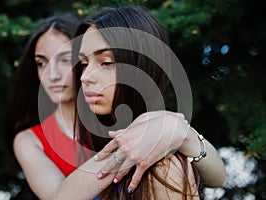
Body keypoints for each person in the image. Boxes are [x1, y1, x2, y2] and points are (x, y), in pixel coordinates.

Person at [6, 11, 225, 200]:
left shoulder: (113, 112)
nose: (52, 75)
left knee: (168, 169)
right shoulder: (31, 138)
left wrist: (182, 132)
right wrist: (132, 145)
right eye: (41, 63)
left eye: (65, 60)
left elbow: (219, 178)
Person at [73, 5, 200, 199]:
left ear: (141, 68)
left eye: (106, 63)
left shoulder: (164, 170)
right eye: (84, 64)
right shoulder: (94, 142)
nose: (85, 77)